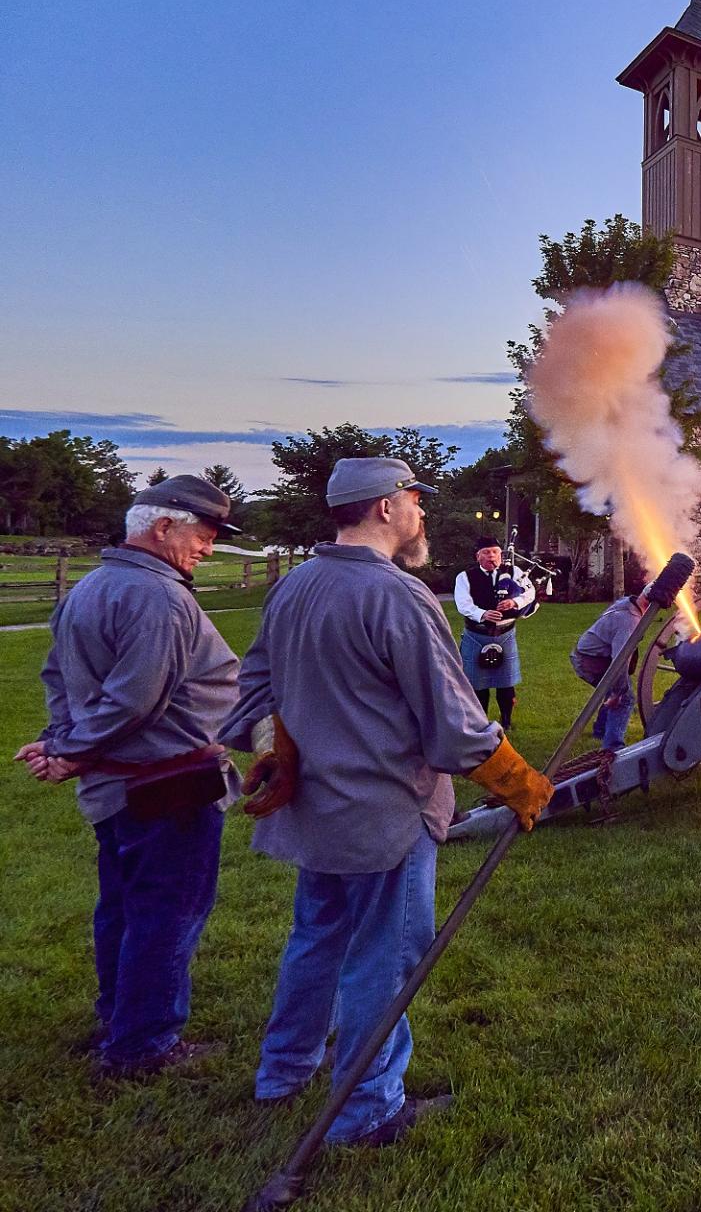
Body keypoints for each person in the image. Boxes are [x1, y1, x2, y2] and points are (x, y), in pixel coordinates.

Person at [219, 457, 554, 1149]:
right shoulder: (399, 597)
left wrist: (271, 748)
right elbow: (457, 728)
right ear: (382, 509)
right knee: (384, 958)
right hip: (387, 820)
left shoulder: (293, 588)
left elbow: (252, 692)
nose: (421, 513)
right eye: (413, 501)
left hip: (317, 817)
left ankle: (283, 1073)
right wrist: (522, 782)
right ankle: (367, 1107)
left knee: (316, 941)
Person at [15, 475, 244, 1076]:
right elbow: (136, 699)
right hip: (168, 785)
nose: (210, 549)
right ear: (163, 527)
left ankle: (119, 1018)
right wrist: (69, 751)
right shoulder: (160, 598)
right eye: (205, 534)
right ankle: (143, 1046)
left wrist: (64, 744)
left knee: (122, 905)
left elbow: (57, 679)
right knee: (166, 912)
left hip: (118, 788)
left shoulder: (90, 587)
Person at [452, 537, 533, 731]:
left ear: (500, 554)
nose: (492, 556)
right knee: (478, 686)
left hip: (505, 634)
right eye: (486, 552)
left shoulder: (514, 572)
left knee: (506, 684)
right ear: (478, 556)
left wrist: (515, 603)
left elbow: (529, 593)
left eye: (495, 552)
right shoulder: (465, 577)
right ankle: (480, 723)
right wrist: (483, 614)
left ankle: (506, 722)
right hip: (477, 635)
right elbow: (463, 604)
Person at [569, 593, 650, 751]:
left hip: (590, 656)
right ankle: (612, 749)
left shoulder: (628, 603)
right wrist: (618, 693)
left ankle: (600, 730)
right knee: (625, 698)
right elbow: (619, 661)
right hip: (589, 662)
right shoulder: (629, 621)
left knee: (614, 692)